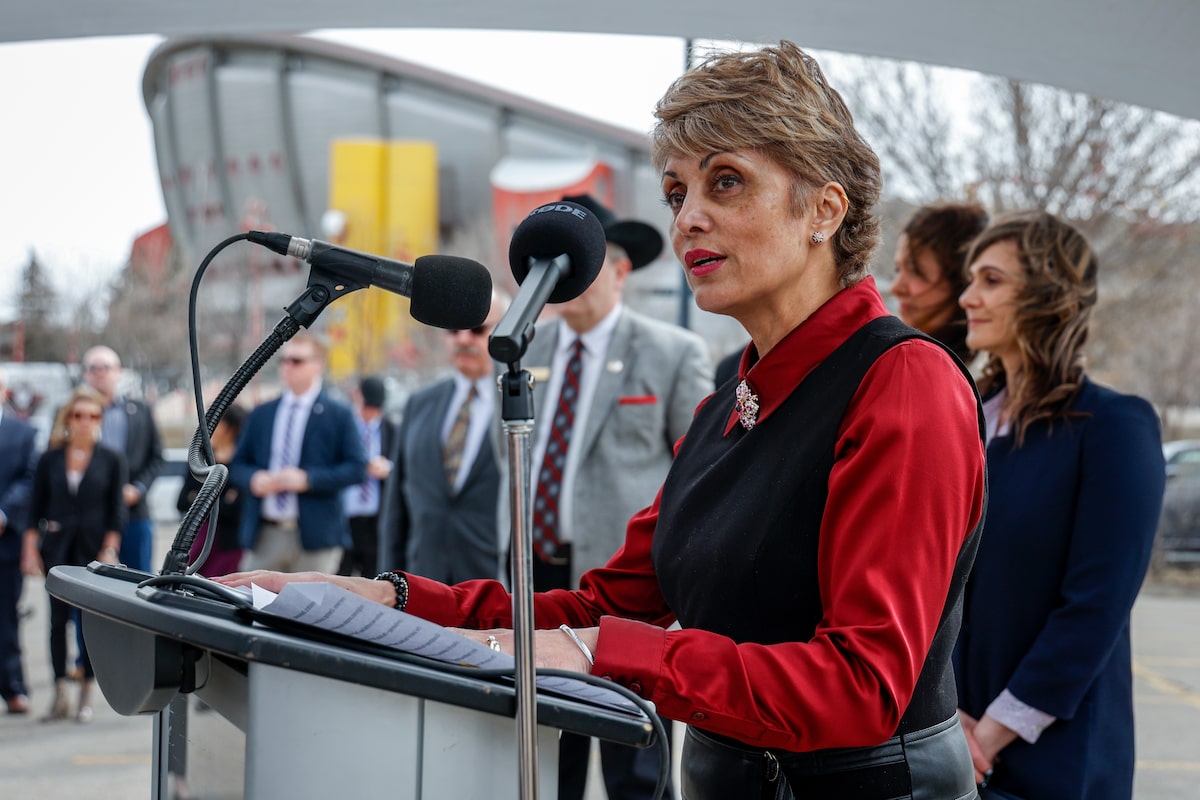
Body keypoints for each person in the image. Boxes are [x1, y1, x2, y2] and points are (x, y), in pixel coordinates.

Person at [217, 42, 987, 799]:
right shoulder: (731, 399)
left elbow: (862, 685)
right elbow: (601, 606)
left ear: (823, 209)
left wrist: (599, 652)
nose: (690, 219)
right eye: (678, 192)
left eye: (727, 183)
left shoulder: (903, 381)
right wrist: (383, 600)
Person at [953, 211, 1165, 800]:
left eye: (991, 280)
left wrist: (987, 737)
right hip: (948, 746)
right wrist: (945, 726)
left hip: (1054, 762)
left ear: (1048, 295)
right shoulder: (966, 421)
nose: (968, 296)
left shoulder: (1113, 427)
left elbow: (1095, 608)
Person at [511, 192, 712, 800]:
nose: (564, 279)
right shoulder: (526, 349)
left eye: (580, 264)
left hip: (623, 583)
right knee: (547, 745)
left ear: (620, 271)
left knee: (631, 754)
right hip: (537, 570)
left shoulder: (674, 353)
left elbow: (697, 474)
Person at [387, 291, 509, 584]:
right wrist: (387, 579)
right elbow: (396, 509)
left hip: (495, 591)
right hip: (423, 583)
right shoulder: (420, 403)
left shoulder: (522, 405)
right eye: (454, 330)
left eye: (478, 329)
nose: (464, 339)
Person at [21, 385, 126, 723]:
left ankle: (86, 694)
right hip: (56, 550)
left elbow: (116, 512)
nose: (85, 421)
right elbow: (34, 507)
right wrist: (29, 549)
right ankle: (59, 694)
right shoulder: (50, 458)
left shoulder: (111, 459)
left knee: (88, 626)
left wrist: (110, 548)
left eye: (92, 415)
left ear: (99, 419)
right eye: (78, 415)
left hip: (93, 552)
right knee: (56, 624)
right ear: (69, 419)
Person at [229, 331, 367, 574]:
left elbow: (357, 469)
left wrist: (308, 480)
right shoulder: (263, 413)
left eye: (297, 361)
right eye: (284, 360)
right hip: (265, 535)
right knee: (250, 606)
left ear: (318, 366)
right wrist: (253, 479)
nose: (287, 367)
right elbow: (237, 464)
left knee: (309, 610)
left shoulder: (339, 415)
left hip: (316, 538)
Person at [80, 345, 164, 574]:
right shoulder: (73, 415)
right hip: (86, 516)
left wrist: (138, 489)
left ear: (119, 372)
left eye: (106, 367)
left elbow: (156, 457)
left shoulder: (141, 411)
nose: (100, 373)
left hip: (133, 513)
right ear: (85, 374)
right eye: (93, 368)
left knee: (137, 580)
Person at [889, 202, 989, 365]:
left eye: (916, 271)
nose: (896, 288)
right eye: (898, 270)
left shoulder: (977, 378)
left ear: (962, 281)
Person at [0, 368, 38, 714]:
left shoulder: (23, 433)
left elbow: (29, 479)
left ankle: (13, 687)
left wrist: (3, 513)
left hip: (5, 543)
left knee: (6, 618)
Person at [176, 404, 248, 577]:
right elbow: (181, 502)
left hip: (231, 546)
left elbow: (239, 509)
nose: (208, 427)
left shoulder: (244, 462)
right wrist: (223, 502)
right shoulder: (199, 460)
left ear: (232, 428)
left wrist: (201, 499)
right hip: (200, 543)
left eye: (218, 422)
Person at [338, 376, 396, 577]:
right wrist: (362, 467)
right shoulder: (344, 426)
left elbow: (404, 467)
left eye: (374, 409)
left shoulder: (392, 430)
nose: (369, 414)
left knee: (373, 577)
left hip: (375, 520)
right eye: (366, 407)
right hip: (345, 518)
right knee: (340, 577)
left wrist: (388, 468)